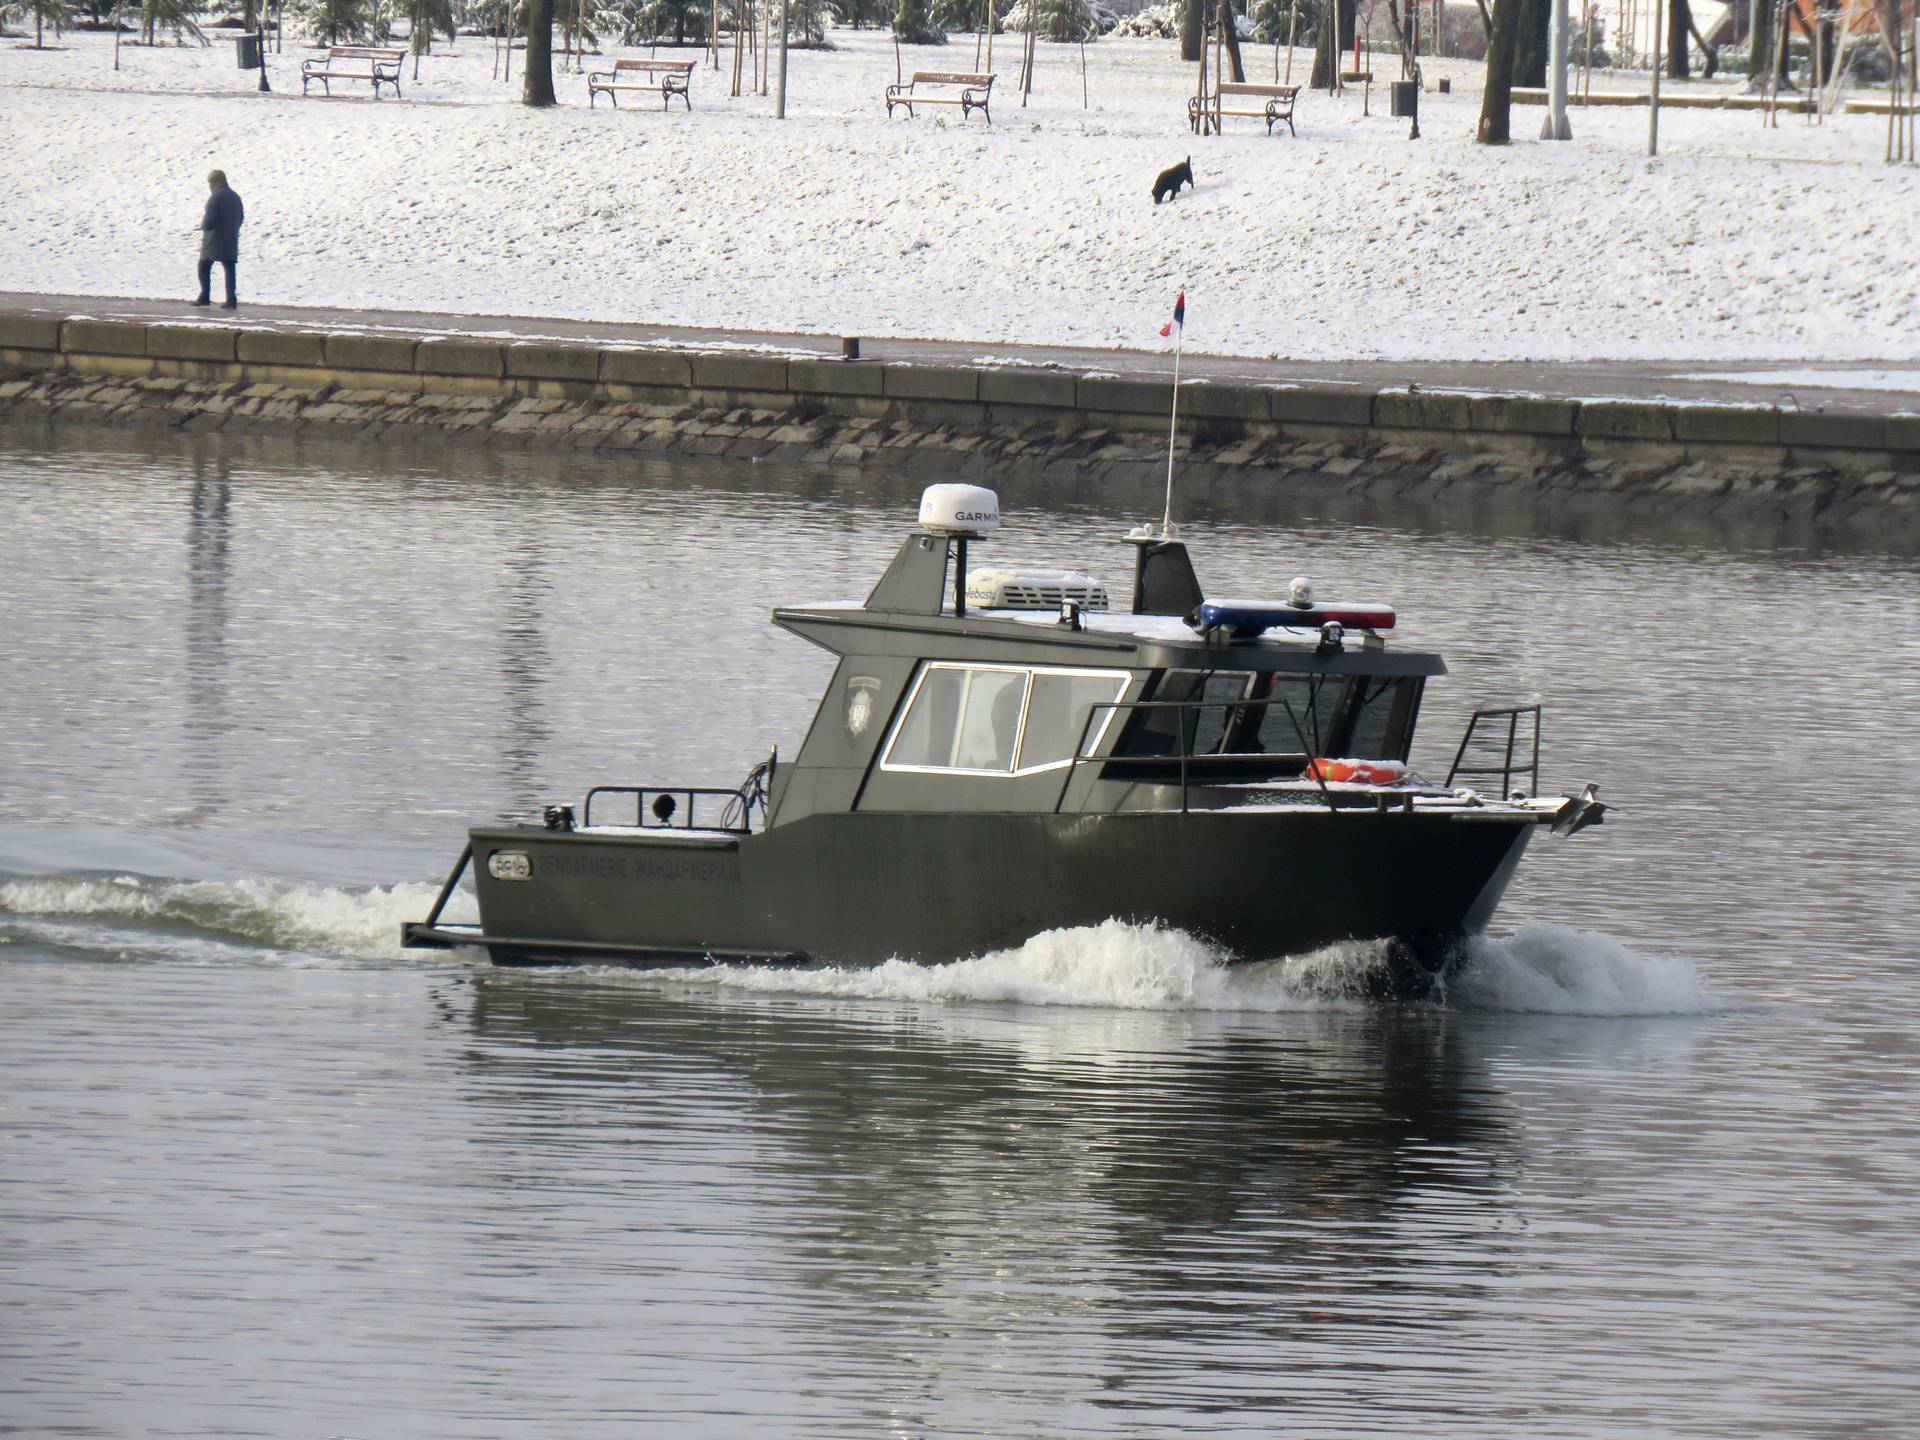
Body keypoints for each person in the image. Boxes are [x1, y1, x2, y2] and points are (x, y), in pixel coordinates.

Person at [193, 170, 245, 310]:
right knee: (229, 268)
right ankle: (231, 300)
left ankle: (204, 296)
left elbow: (210, 219)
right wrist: (233, 229)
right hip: (231, 237)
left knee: (204, 265)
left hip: (214, 239)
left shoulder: (215, 197)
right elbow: (240, 216)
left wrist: (204, 226)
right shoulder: (235, 196)